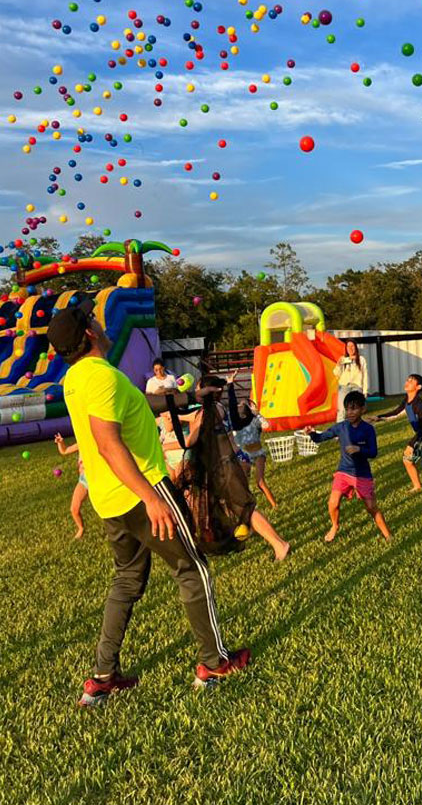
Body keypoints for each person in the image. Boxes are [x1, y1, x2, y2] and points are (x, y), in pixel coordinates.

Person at [47, 298, 250, 706]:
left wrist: (189, 400)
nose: (99, 322)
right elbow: (107, 443)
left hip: (108, 500)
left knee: (126, 581)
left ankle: (103, 677)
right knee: (192, 570)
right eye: (92, 319)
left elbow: (132, 410)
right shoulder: (102, 378)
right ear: (89, 333)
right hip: (142, 492)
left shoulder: (77, 378)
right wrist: (151, 499)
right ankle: (214, 662)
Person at [183, 376, 289, 561]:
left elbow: (191, 440)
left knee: (246, 509)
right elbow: (194, 416)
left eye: (199, 389)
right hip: (232, 463)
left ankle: (279, 544)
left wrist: (170, 438)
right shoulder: (219, 407)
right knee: (234, 507)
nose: (196, 393)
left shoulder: (209, 412)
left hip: (228, 467)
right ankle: (251, 532)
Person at [306, 390, 390, 542]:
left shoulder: (368, 429)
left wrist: (359, 449)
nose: (350, 412)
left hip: (362, 473)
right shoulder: (341, 427)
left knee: (371, 507)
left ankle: (387, 534)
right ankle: (334, 525)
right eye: (347, 409)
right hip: (343, 471)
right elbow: (320, 438)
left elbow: (373, 452)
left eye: (354, 408)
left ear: (363, 409)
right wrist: (312, 434)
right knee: (333, 502)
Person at [225, 371, 277, 509]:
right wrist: (230, 385)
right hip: (245, 455)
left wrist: (257, 413)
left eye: (243, 404)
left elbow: (266, 425)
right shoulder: (241, 421)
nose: (240, 404)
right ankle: (249, 505)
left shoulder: (252, 420)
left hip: (258, 454)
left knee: (260, 482)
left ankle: (275, 505)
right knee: (245, 483)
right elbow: (232, 403)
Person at [55, 432, 89, 538]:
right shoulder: (81, 443)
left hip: (97, 478)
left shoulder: (98, 442)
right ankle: (81, 528)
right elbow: (64, 451)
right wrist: (60, 443)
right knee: (74, 509)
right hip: (84, 479)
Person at [333, 340, 369, 421]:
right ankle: (340, 429)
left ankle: (356, 428)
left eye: (352, 346)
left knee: (356, 409)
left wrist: (365, 391)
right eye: (348, 347)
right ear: (346, 348)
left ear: (356, 347)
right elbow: (336, 374)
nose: (350, 348)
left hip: (357, 386)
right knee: (342, 409)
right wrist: (339, 365)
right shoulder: (343, 359)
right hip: (344, 386)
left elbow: (365, 375)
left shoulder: (361, 359)